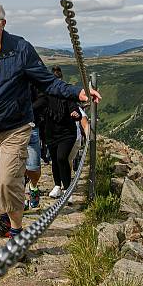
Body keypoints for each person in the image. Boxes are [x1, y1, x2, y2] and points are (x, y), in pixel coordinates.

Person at [0, 1, 101, 240]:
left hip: (15, 128)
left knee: (7, 180)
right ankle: (4, 219)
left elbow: (47, 81)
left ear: (2, 23)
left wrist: (78, 93)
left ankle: (16, 232)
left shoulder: (20, 49)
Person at [44, 66, 84, 198]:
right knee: (55, 160)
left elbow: (76, 111)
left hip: (67, 132)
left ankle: (67, 189)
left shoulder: (67, 96)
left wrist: (75, 114)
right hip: (51, 132)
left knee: (61, 158)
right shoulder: (46, 95)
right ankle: (57, 186)